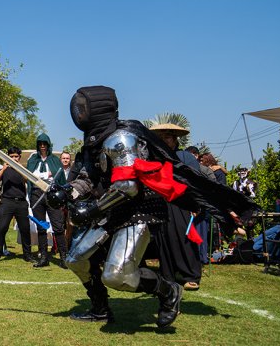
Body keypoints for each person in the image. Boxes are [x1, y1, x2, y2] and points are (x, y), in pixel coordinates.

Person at [57, 86, 255, 328]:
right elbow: (88, 178)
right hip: (112, 209)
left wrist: (92, 209)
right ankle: (99, 308)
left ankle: (168, 291)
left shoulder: (121, 139)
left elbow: (128, 187)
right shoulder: (95, 142)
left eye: (82, 107)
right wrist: (68, 191)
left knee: (116, 275)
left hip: (138, 210)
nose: (78, 113)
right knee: (75, 258)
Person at [150, 126, 204, 290]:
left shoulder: (185, 157)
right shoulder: (155, 157)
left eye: (167, 137)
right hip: (161, 202)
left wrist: (195, 203)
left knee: (184, 236)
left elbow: (195, 181)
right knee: (163, 237)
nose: (164, 140)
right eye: (161, 137)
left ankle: (191, 275)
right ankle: (168, 274)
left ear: (174, 139)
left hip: (182, 202)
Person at [26, 133, 67, 267]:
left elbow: (60, 177)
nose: (42, 146)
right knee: (41, 227)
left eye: (45, 144)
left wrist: (50, 176)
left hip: (52, 195)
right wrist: (45, 175)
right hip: (37, 195)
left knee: (58, 227)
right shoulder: (33, 160)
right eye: (40, 144)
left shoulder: (55, 160)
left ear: (48, 145)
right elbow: (30, 177)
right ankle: (43, 257)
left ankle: (64, 257)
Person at [0, 147, 35, 263]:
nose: (14, 159)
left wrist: (19, 167)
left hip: (21, 202)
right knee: (2, 228)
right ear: (7, 157)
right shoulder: (4, 169)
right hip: (7, 201)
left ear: (19, 157)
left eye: (16, 156)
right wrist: (4, 169)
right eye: (11, 157)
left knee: (25, 229)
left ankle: (27, 254)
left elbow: (28, 179)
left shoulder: (22, 169)